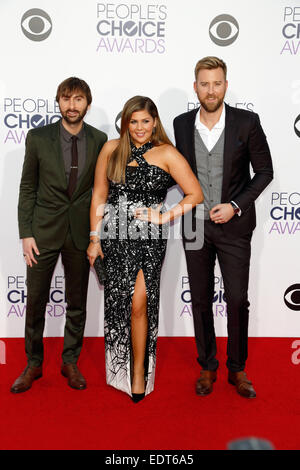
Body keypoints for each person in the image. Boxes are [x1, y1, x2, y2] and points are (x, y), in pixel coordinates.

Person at [87, 96, 203, 402]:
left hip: (149, 238)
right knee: (118, 303)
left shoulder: (166, 153)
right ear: (126, 123)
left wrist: (164, 216)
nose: (139, 128)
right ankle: (119, 370)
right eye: (133, 121)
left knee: (140, 303)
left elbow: (195, 194)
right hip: (113, 235)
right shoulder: (112, 149)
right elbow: (99, 193)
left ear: (155, 122)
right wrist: (94, 238)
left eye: (145, 121)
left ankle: (139, 373)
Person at [173, 57, 273, 398]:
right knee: (200, 300)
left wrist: (235, 206)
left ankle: (237, 368)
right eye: (205, 83)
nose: (211, 90)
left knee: (236, 299)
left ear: (226, 85)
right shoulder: (181, 124)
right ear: (196, 86)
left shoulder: (247, 122)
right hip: (193, 226)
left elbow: (264, 172)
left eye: (217, 83)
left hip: (234, 226)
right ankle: (207, 365)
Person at [11, 77, 107, 393]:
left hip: (80, 233)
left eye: (78, 99)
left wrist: (97, 234)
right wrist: (26, 232)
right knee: (36, 299)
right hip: (42, 232)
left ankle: (70, 361)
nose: (72, 105)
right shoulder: (38, 138)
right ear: (59, 102)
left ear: (87, 104)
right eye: (66, 99)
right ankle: (33, 364)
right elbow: (27, 187)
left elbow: (100, 190)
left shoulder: (99, 139)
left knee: (77, 301)